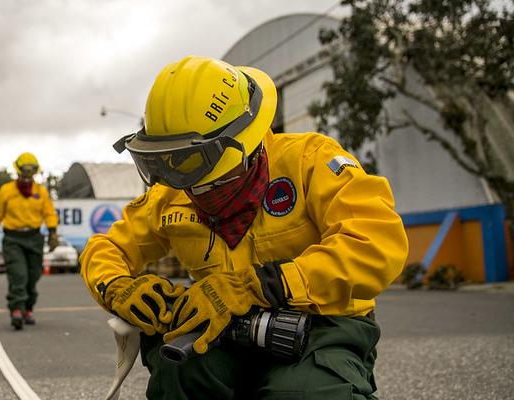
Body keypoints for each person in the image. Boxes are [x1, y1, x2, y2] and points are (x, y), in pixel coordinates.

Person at [80, 56, 409, 399]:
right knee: (178, 375)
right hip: (225, 329)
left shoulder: (310, 161)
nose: (189, 186)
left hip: (324, 325)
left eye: (197, 167)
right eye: (172, 160)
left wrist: (257, 286)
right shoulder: (173, 192)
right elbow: (107, 248)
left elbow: (377, 244)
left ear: (244, 147)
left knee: (304, 393)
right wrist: (119, 288)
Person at [0, 153, 59, 329]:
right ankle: (16, 310)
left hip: (34, 238)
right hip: (13, 239)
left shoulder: (40, 192)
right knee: (19, 275)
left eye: (32, 172)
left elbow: (49, 212)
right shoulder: (6, 191)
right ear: (18, 170)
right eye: (25, 171)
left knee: (33, 275)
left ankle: (28, 308)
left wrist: (52, 232)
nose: (28, 176)